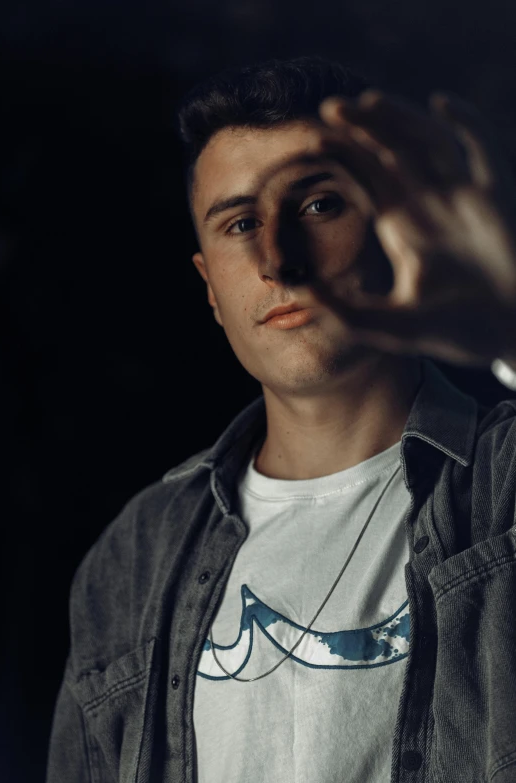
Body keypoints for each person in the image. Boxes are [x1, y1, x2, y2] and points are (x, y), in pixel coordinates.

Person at [46, 55, 516, 783]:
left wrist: (507, 324)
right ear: (210, 284)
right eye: (239, 223)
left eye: (318, 205)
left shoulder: (501, 486)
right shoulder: (133, 554)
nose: (276, 259)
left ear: (396, 228)